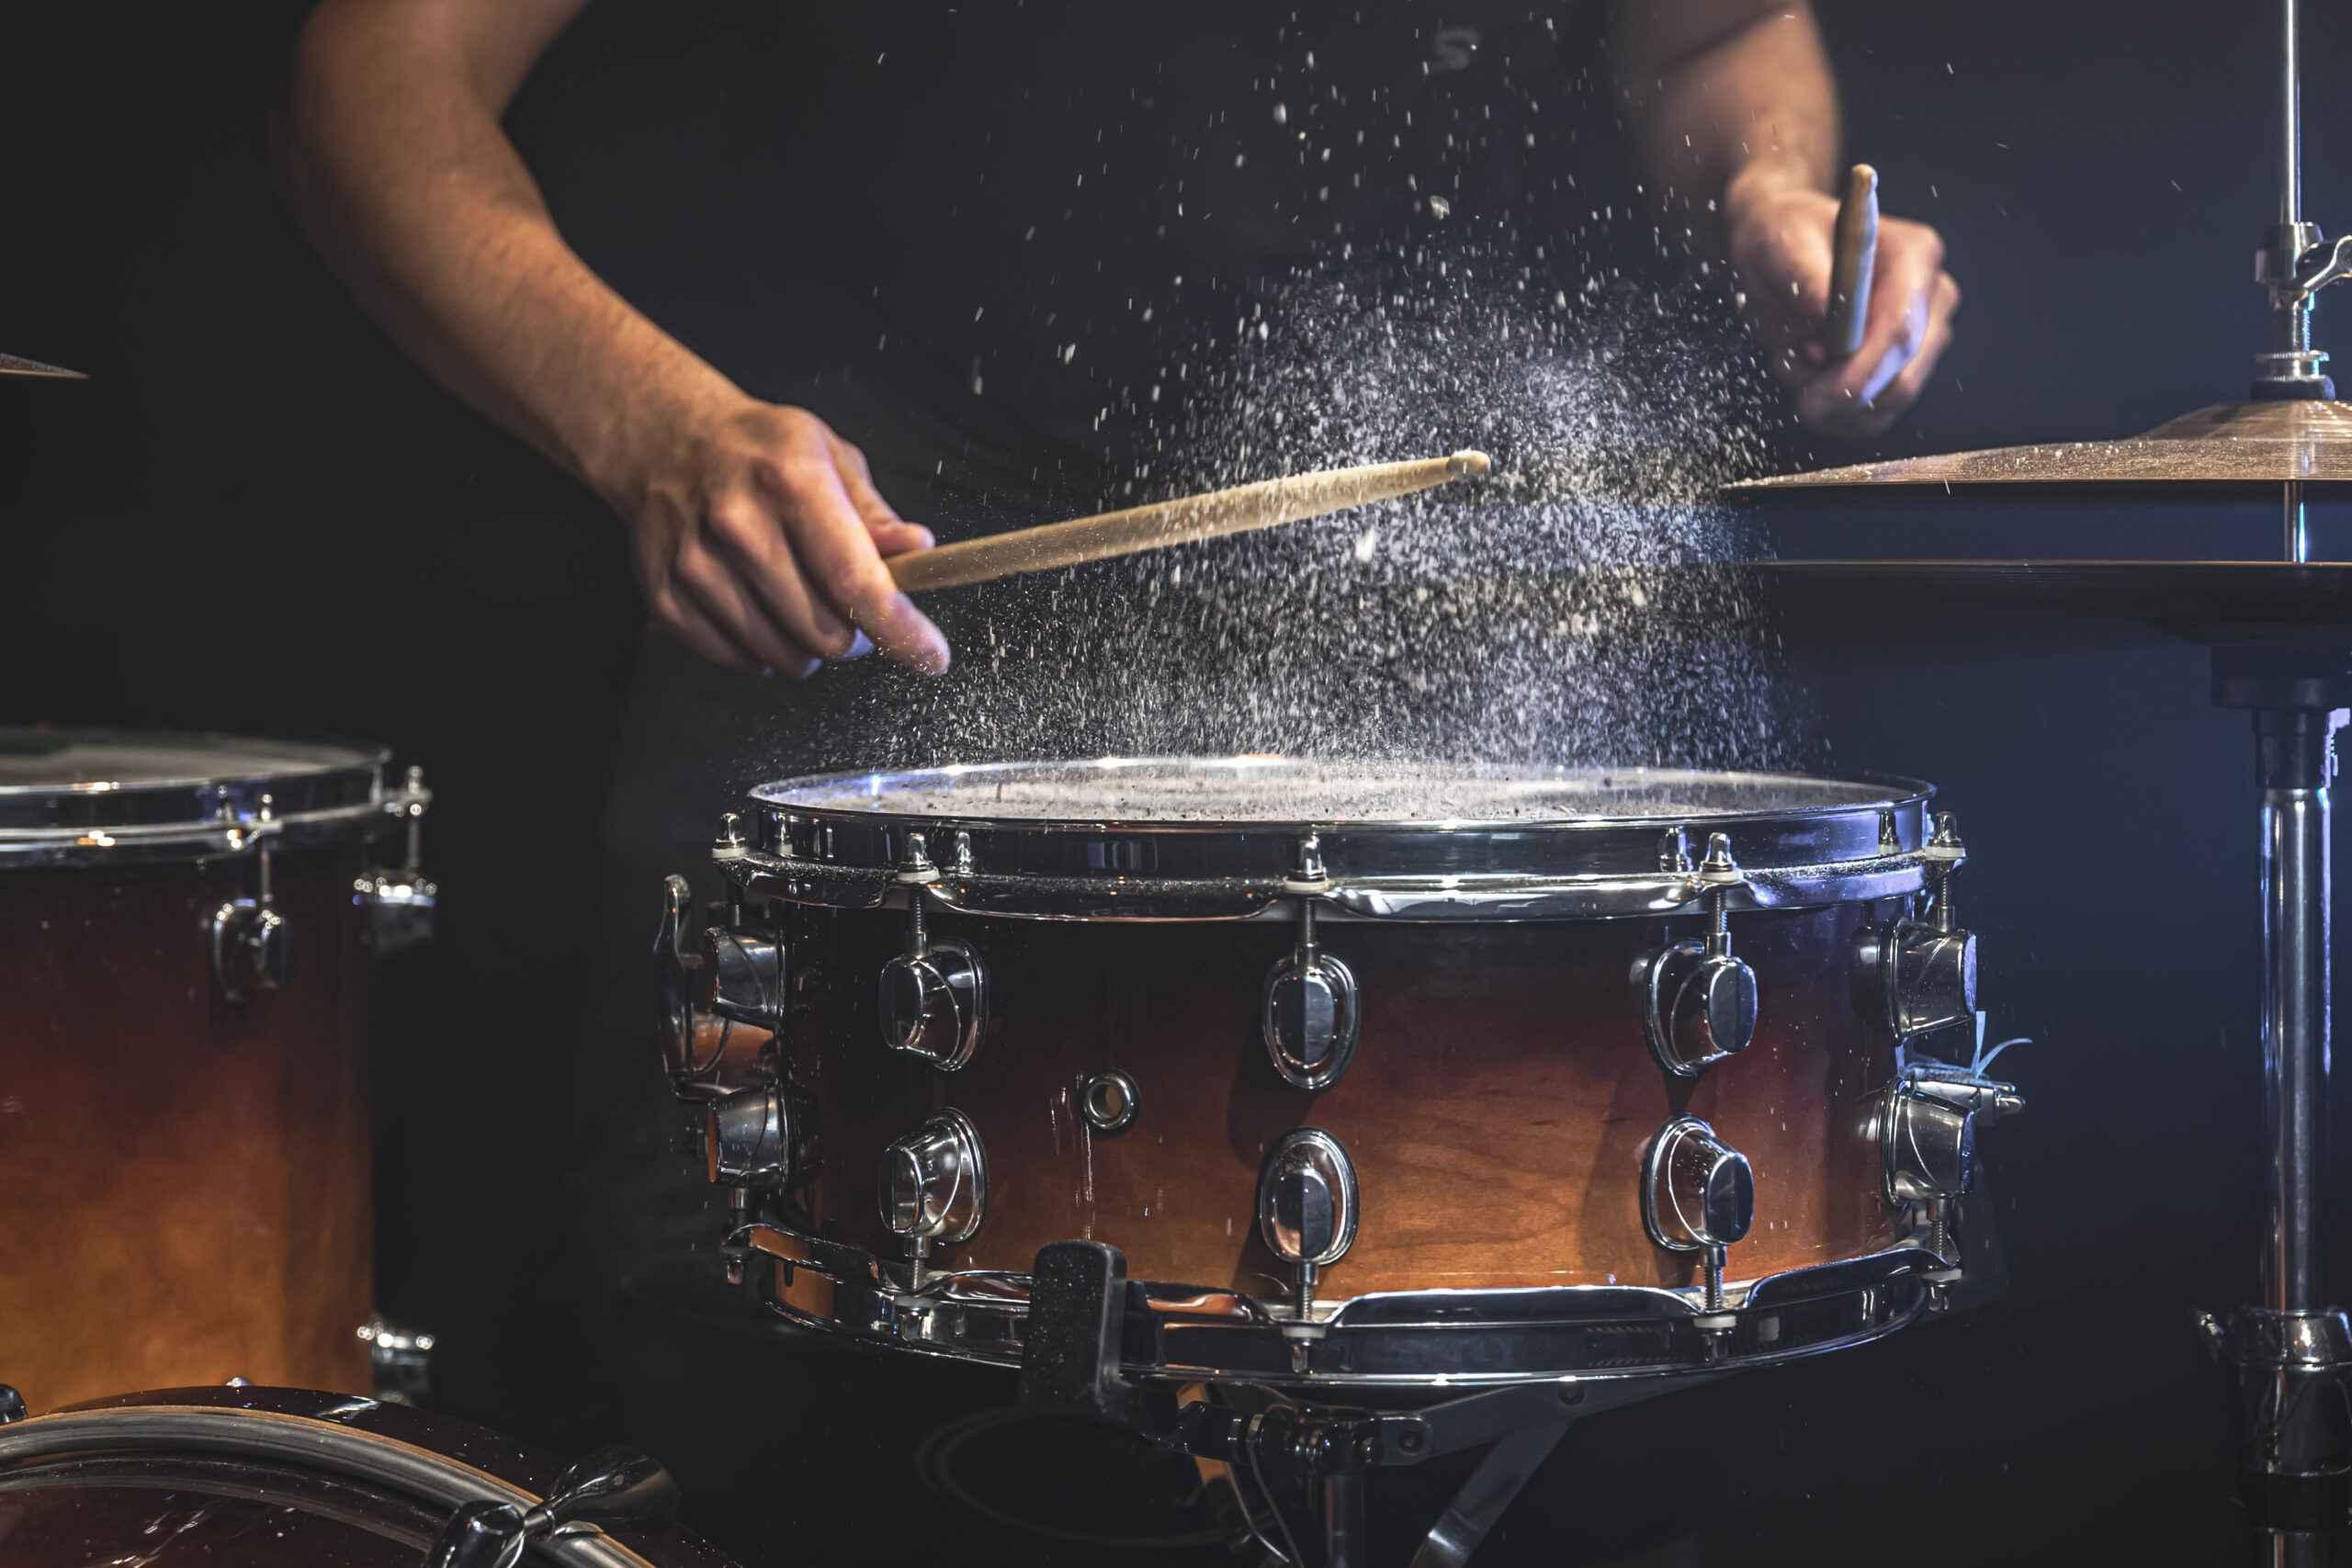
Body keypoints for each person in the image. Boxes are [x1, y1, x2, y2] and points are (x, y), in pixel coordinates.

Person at [284, 0, 1957, 685]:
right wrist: (654, 428)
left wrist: (1773, 198)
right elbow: (378, 77)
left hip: (1410, 618)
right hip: (869, 597)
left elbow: (1716, 33)